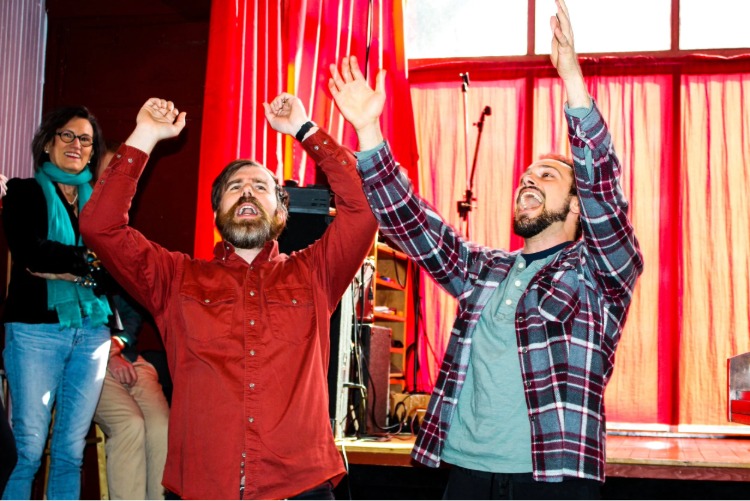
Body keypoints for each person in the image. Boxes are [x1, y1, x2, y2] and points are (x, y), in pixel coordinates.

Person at [327, 0, 644, 498]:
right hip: (466, 475)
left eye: (547, 175)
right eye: (525, 176)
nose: (528, 180)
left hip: (551, 478)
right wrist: (369, 131)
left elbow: (602, 188)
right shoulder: (489, 269)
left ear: (577, 206)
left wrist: (572, 81)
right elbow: (414, 224)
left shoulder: (599, 273)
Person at [79, 95, 378, 499]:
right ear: (218, 212)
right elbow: (100, 226)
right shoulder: (175, 279)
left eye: (260, 186)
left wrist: (304, 130)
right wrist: (145, 135)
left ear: (281, 212)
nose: (247, 192)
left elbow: (364, 209)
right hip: (204, 486)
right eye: (235, 188)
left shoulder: (315, 273)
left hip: (299, 485)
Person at [1, 106, 113, 499]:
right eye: (67, 135)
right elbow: (31, 253)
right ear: (48, 143)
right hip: (36, 331)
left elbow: (117, 267)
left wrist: (68, 266)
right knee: (28, 449)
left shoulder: (101, 205)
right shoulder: (24, 192)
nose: (76, 144)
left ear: (93, 151)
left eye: (85, 140)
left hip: (92, 333)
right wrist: (88, 262)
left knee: (70, 451)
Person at [90, 145, 170, 500]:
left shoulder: (124, 239)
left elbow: (135, 309)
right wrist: (105, 353)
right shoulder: (72, 230)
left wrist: (118, 346)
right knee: (131, 425)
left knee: (162, 426)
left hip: (128, 355)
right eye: (108, 172)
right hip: (85, 361)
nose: (115, 179)